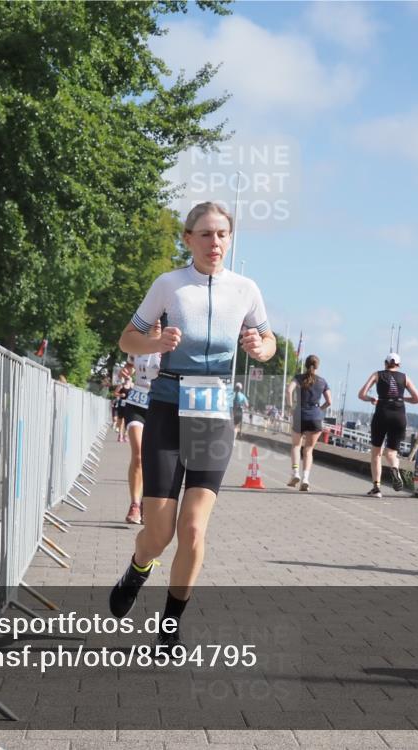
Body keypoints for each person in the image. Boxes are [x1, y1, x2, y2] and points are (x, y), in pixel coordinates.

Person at [111, 201, 275, 654]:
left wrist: (259, 348)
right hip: (167, 408)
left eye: (221, 234)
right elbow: (127, 338)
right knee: (159, 533)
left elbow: (268, 341)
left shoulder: (245, 289)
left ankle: (169, 628)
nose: (214, 242)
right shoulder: (169, 285)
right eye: (204, 234)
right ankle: (139, 566)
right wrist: (156, 341)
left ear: (230, 239)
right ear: (188, 239)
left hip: (213, 414)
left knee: (194, 530)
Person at [357, 352, 418, 497]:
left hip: (382, 413)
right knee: (391, 453)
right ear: (399, 365)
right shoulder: (405, 377)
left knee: (376, 453)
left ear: (385, 363)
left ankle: (376, 488)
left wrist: (371, 399)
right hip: (399, 415)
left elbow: (361, 394)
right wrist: (402, 398)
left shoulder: (377, 375)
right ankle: (394, 467)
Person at [120, 351, 162, 524]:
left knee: (155, 459)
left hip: (161, 404)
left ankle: (147, 502)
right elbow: (130, 363)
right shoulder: (138, 342)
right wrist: (126, 370)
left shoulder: (172, 341)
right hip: (137, 403)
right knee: (138, 455)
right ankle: (135, 505)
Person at [285, 354, 332, 491]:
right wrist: (319, 410)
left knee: (296, 446)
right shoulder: (323, 382)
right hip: (315, 417)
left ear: (305, 365)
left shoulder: (298, 378)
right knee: (309, 449)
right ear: (317, 366)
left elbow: (288, 391)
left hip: (300, 414)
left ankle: (295, 473)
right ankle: (305, 478)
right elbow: (329, 401)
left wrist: (290, 407)